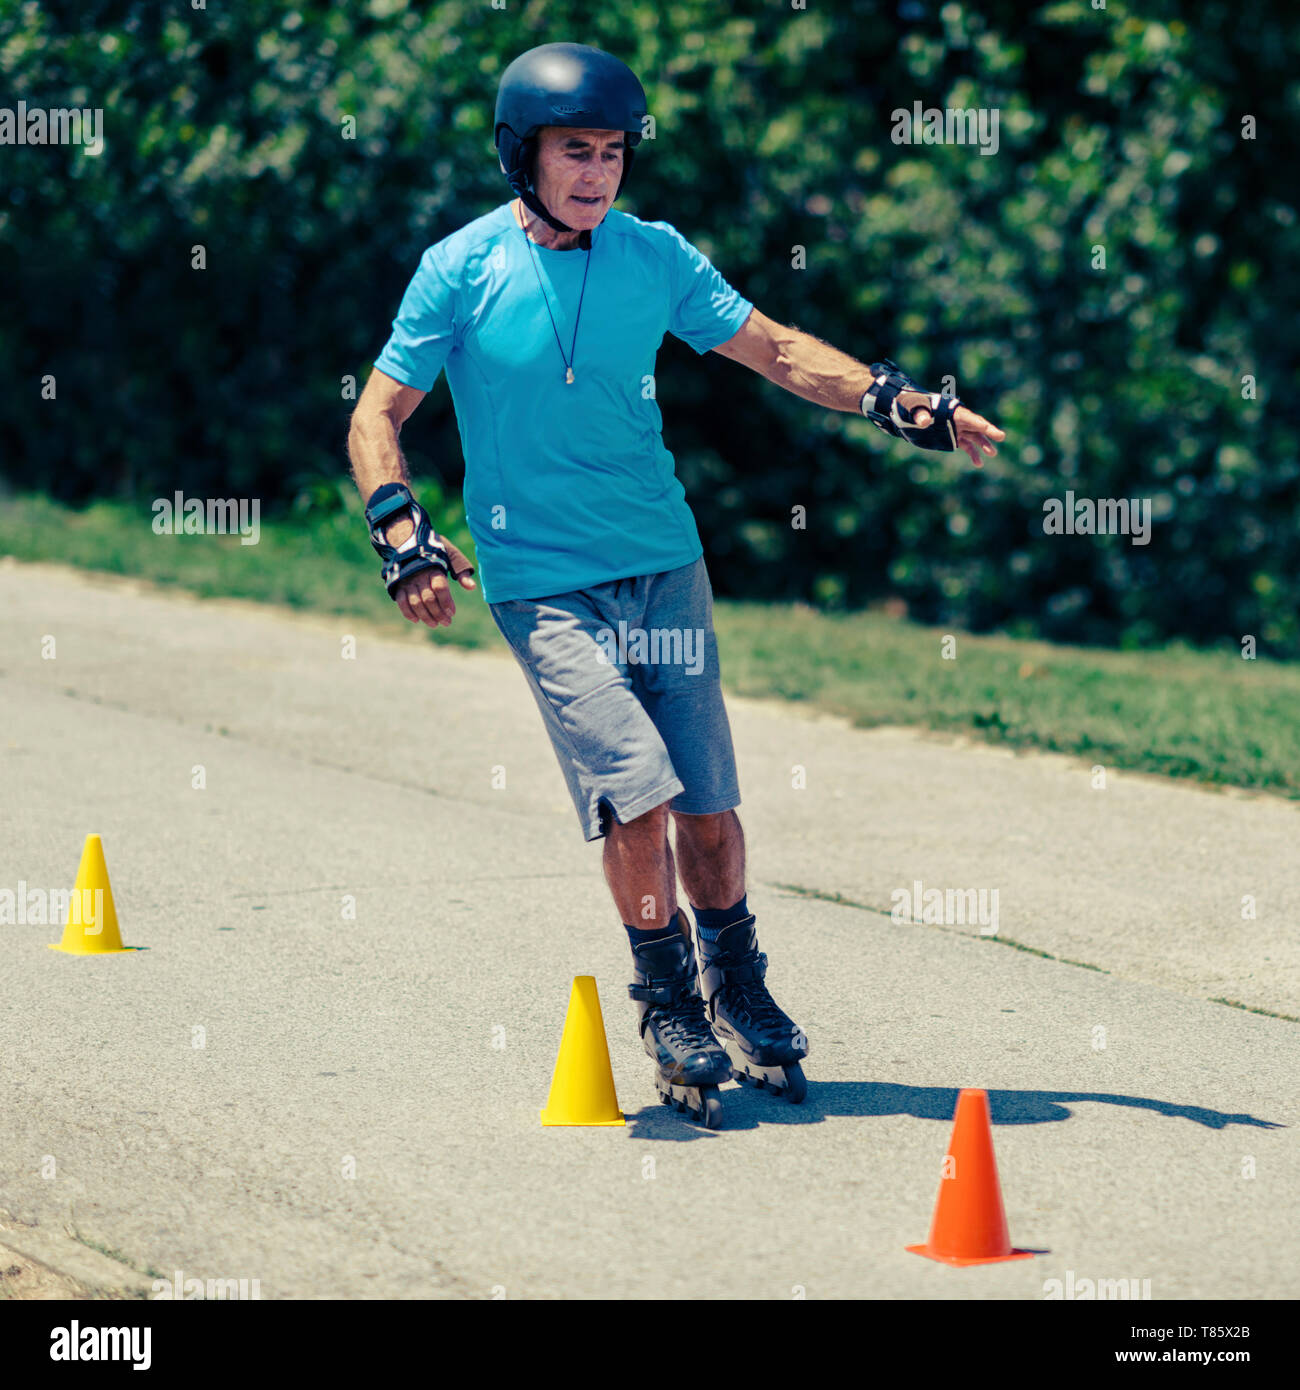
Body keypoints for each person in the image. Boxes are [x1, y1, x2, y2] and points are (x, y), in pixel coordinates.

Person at [348, 42, 1006, 1128]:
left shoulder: (653, 256)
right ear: (523, 155)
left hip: (664, 562)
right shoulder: (459, 268)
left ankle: (735, 984)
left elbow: (780, 352)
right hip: (544, 582)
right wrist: (401, 529)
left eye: (611, 153)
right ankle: (663, 1000)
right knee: (636, 785)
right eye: (575, 152)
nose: (598, 174)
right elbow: (377, 415)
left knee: (707, 804)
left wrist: (901, 402)